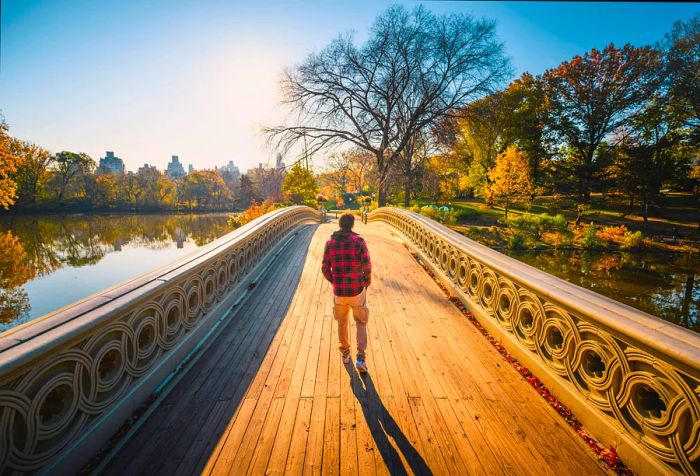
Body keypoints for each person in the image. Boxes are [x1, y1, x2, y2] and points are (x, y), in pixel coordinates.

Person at [322, 212, 372, 373]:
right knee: (361, 323)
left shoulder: (330, 243)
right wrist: (366, 281)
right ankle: (360, 359)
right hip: (357, 290)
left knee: (341, 322)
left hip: (339, 292)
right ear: (352, 225)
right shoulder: (359, 241)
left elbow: (324, 268)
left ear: (339, 225)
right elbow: (367, 266)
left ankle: (345, 354)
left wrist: (334, 281)